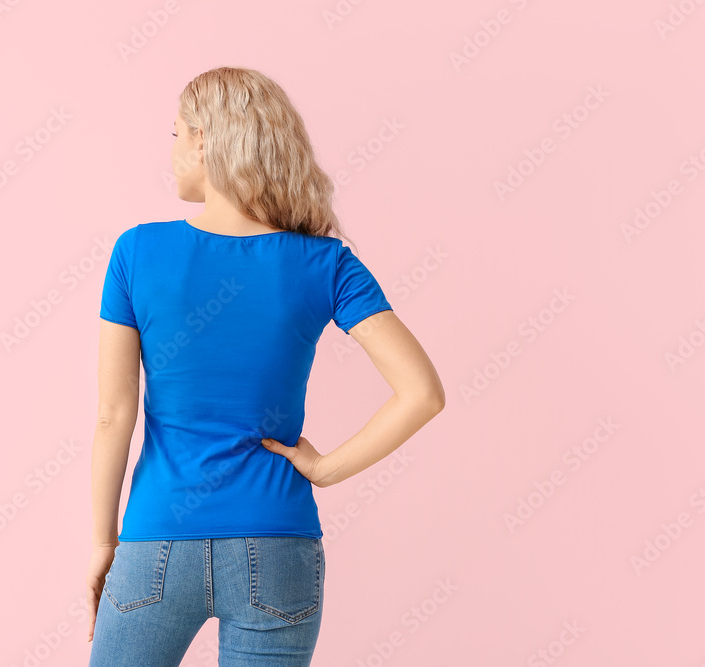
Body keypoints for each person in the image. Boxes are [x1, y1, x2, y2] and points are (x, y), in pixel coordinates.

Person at [86, 66, 445, 666]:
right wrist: (325, 470)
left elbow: (111, 417)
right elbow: (422, 394)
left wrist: (102, 542)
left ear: (206, 140)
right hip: (279, 543)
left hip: (155, 543)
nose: (171, 151)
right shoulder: (326, 263)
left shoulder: (137, 252)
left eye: (176, 134)